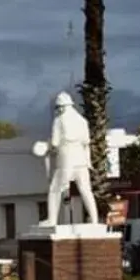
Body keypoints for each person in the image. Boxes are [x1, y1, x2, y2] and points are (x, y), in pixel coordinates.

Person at [37, 91, 99, 226]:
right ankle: (94, 220)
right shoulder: (82, 121)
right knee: (86, 190)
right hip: (81, 161)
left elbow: (54, 142)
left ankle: (52, 220)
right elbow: (86, 143)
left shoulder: (59, 120)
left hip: (66, 160)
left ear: (61, 107)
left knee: (55, 189)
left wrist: (46, 146)